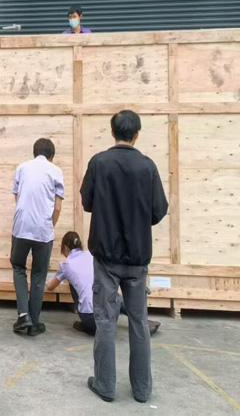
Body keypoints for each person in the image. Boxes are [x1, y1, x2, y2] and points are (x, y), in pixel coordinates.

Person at [81, 110, 168, 404]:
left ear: (112, 132)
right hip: (138, 258)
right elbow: (158, 210)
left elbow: (87, 202)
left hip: (106, 256)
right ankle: (142, 390)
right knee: (139, 322)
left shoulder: (99, 163)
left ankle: (105, 385)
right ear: (137, 135)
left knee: (106, 320)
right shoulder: (148, 166)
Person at [45, 231, 161, 337]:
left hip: (92, 320)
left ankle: (87, 325)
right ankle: (144, 323)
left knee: (73, 284)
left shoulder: (66, 265)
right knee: (117, 298)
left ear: (65, 248)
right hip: (110, 313)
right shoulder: (91, 256)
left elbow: (50, 287)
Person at [10, 138, 65, 337]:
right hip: (43, 230)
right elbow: (57, 208)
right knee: (39, 275)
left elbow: (18, 199)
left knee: (18, 268)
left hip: (21, 228)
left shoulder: (22, 168)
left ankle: (23, 315)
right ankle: (33, 323)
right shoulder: (56, 171)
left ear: (34, 153)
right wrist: (48, 226)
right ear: (52, 156)